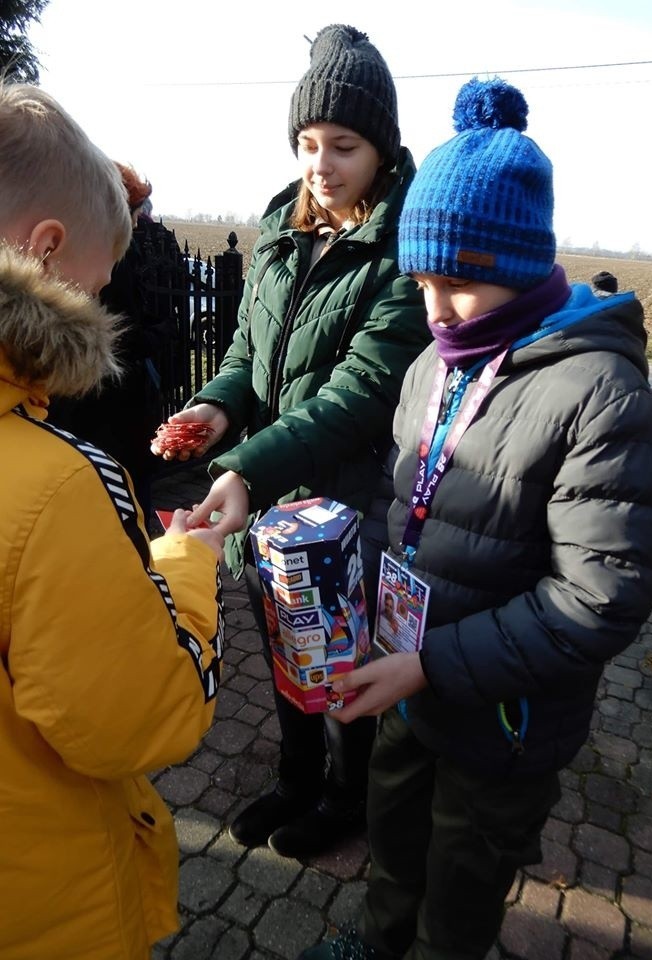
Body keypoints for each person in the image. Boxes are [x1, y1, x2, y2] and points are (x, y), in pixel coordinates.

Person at [295, 77, 652, 960]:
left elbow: (599, 601)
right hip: (406, 680)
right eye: (420, 280)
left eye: (459, 284)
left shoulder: (600, 391)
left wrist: (431, 665)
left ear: (520, 265)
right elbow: (400, 506)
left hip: (506, 724)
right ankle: (379, 939)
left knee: (461, 886)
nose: (434, 310)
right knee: (395, 837)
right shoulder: (432, 364)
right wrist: (357, 609)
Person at [152, 23, 430, 859]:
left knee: (338, 656)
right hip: (274, 493)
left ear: (381, 148)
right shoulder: (281, 233)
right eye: (308, 143)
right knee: (282, 639)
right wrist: (215, 412)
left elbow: (358, 395)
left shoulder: (399, 252)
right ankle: (297, 779)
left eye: (343, 144)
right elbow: (246, 355)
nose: (321, 163)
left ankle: (348, 797)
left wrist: (241, 466)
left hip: (346, 500)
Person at [0, 83, 224, 960]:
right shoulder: (53, 484)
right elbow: (137, 714)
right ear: (48, 253)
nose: (99, 309)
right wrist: (190, 562)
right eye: (94, 288)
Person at [49, 164, 175, 522]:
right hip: (113, 402)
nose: (138, 223)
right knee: (126, 495)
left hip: (90, 402)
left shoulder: (80, 251)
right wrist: (159, 333)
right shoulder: (112, 257)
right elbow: (119, 333)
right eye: (134, 213)